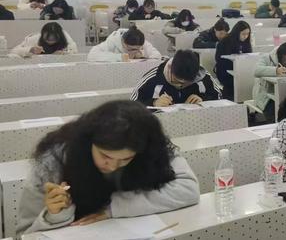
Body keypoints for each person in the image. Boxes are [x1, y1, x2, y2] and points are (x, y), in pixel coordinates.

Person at [15, 100, 200, 236]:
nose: (112, 166)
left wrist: (113, 208)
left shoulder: (150, 148)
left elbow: (188, 189)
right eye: (105, 156)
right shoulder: (52, 160)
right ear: (89, 143)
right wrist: (54, 215)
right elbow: (24, 233)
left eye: (126, 158)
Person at [131, 49, 222, 106]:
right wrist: (154, 103)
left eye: (186, 83)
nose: (180, 85)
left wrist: (203, 100)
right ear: (170, 68)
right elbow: (133, 104)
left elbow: (219, 97)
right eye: (177, 81)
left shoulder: (203, 76)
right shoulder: (154, 77)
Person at [252, 42, 286, 122]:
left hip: (285, 94)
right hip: (265, 96)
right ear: (280, 55)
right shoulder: (267, 58)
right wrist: (276, 70)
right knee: (276, 113)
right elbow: (256, 71)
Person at [214, 21, 252, 101]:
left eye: (247, 34)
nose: (245, 36)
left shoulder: (246, 43)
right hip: (224, 71)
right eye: (243, 34)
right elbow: (219, 59)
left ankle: (243, 100)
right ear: (237, 32)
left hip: (239, 70)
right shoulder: (225, 42)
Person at [87, 27, 162, 62]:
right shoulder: (113, 41)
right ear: (123, 42)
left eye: (138, 49)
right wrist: (120, 57)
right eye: (131, 49)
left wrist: (143, 55)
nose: (135, 51)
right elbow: (92, 55)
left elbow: (157, 56)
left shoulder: (140, 40)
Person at [11, 22, 79, 57]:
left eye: (53, 39)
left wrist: (65, 53)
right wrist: (30, 49)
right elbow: (14, 51)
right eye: (47, 39)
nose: (50, 41)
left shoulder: (67, 39)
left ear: (60, 36)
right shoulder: (35, 39)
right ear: (42, 34)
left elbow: (74, 53)